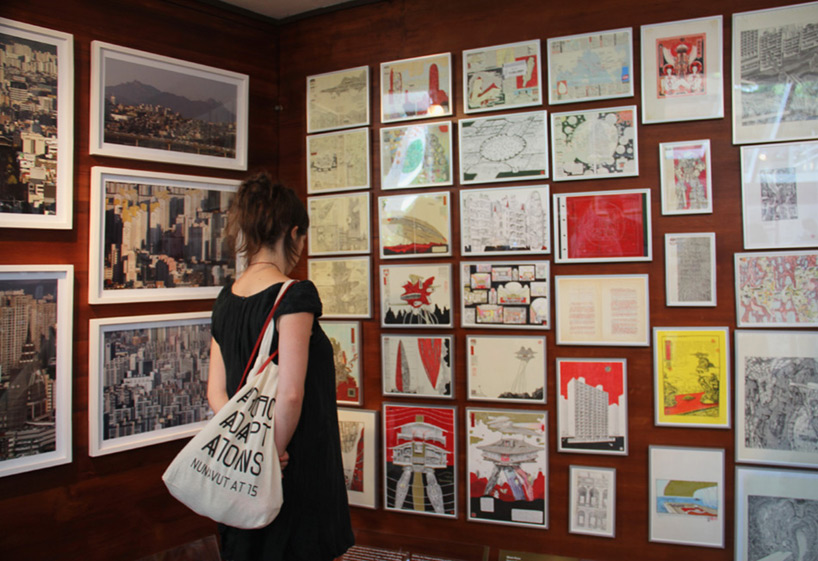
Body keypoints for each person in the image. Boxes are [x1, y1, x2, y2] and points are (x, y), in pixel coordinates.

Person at [207, 171, 354, 561]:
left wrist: (250, 445)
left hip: (241, 465)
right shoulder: (295, 295)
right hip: (293, 464)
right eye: (303, 238)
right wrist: (271, 450)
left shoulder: (225, 298)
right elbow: (290, 392)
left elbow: (215, 392)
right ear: (293, 233)